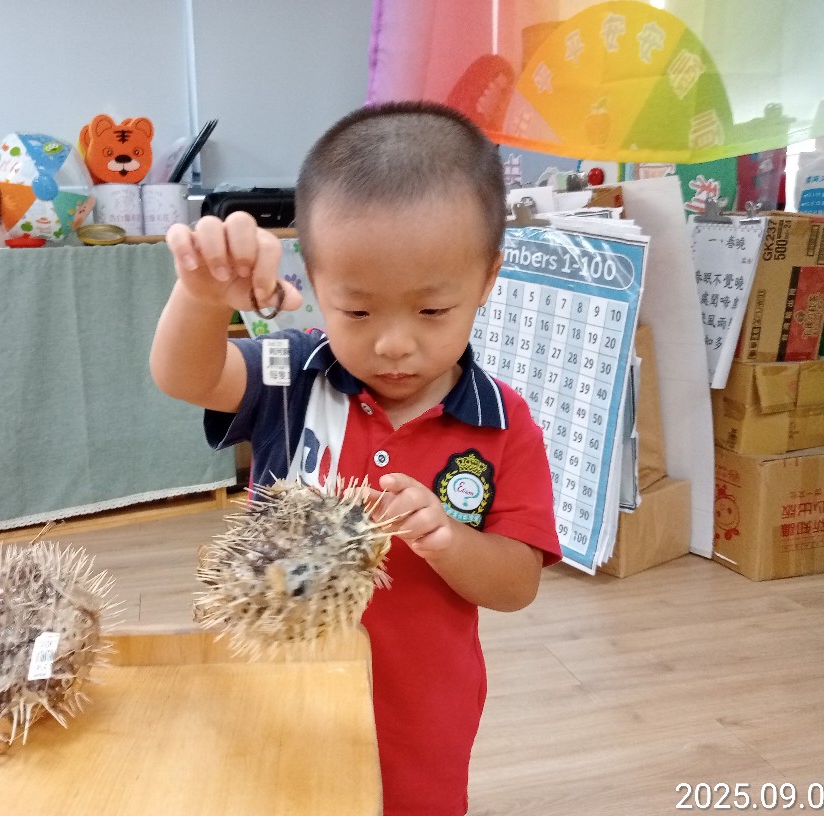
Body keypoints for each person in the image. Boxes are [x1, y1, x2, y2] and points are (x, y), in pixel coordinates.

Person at [150, 100, 561, 815]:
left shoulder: (503, 425)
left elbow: (515, 584)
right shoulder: (292, 375)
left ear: (486, 280)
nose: (394, 344)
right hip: (276, 694)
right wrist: (202, 297)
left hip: (420, 718)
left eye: (432, 311)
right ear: (316, 282)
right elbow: (185, 377)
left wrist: (448, 539)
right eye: (359, 311)